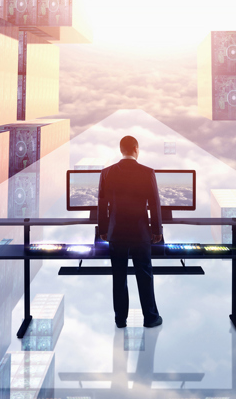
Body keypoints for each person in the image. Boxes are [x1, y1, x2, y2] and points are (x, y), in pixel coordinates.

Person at [97, 135, 163, 329]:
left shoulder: (106, 173)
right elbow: (154, 204)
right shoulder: (147, 172)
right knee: (144, 274)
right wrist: (157, 230)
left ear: (121, 150)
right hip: (141, 232)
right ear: (136, 149)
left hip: (116, 232)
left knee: (119, 276)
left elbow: (102, 205)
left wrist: (103, 230)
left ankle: (120, 320)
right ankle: (150, 318)